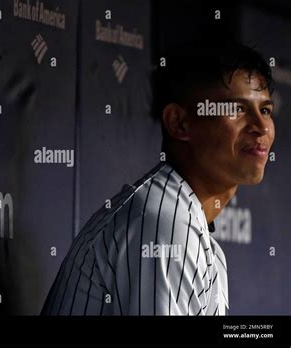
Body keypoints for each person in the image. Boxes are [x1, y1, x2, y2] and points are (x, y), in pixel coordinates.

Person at [41, 41, 275, 315]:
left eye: (266, 110)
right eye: (237, 109)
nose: (261, 127)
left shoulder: (191, 230)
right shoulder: (164, 222)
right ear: (179, 122)